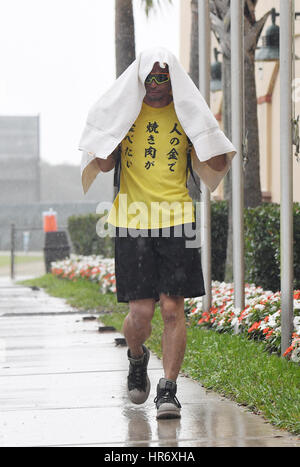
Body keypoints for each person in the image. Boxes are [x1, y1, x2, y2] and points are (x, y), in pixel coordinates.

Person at [78, 47, 236, 420]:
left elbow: (216, 162)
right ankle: (137, 357)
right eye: (150, 79)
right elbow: (103, 163)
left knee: (171, 308)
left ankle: (168, 389)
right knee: (141, 312)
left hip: (177, 218)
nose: (156, 86)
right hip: (132, 220)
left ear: (172, 80)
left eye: (163, 79)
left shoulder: (186, 113)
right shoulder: (128, 114)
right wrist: (111, 132)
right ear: (140, 81)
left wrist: (204, 134)